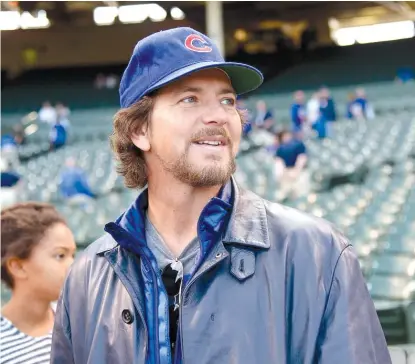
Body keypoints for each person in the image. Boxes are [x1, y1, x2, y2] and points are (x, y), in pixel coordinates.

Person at [51, 27, 391, 364]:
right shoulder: (87, 277)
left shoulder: (318, 253)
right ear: (140, 130)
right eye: (190, 99)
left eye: (227, 100)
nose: (219, 115)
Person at [1, 202, 76, 364]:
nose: (73, 265)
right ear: (18, 267)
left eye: (73, 255)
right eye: (60, 256)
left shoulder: (79, 321)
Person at [275, 130, 309, 200]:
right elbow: (279, 162)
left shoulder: (298, 144)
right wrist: (284, 173)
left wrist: (296, 171)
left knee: (301, 196)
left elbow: (302, 158)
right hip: (287, 173)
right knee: (285, 196)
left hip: (300, 173)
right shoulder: (280, 149)